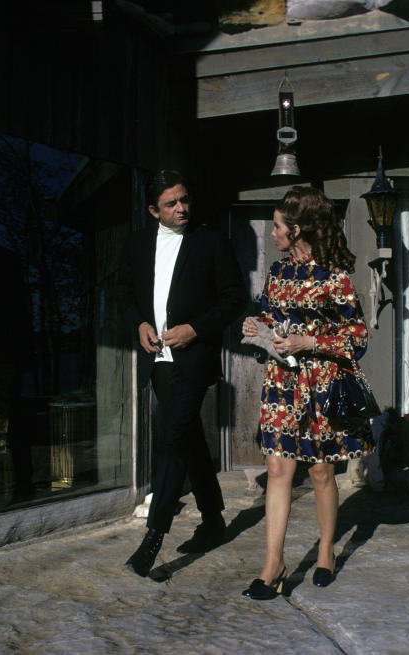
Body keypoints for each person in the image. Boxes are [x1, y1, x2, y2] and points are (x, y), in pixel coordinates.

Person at [240, 185, 372, 599]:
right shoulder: (278, 273)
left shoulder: (335, 277)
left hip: (322, 386)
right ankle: (272, 565)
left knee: (320, 472)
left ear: (297, 229)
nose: (273, 232)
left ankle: (327, 552)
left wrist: (308, 343)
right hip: (281, 383)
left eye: (278, 226)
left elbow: (358, 338)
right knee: (278, 471)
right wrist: (256, 328)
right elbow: (268, 316)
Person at [117, 170, 248, 577]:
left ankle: (154, 536)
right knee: (188, 438)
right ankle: (213, 521)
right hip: (157, 361)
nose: (182, 208)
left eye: (185, 199)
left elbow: (235, 299)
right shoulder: (137, 243)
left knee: (171, 439)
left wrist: (195, 329)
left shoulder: (209, 241)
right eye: (172, 203)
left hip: (192, 359)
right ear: (154, 209)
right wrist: (138, 323)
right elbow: (122, 294)